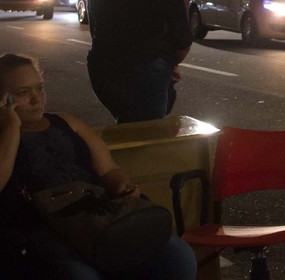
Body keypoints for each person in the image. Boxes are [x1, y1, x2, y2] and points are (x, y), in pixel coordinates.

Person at [0, 53, 197, 279]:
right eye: (23, 93)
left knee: (177, 256)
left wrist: (122, 186)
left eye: (40, 88)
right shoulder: (5, 136)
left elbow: (109, 169)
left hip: (96, 216)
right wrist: (11, 128)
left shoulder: (65, 122)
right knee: (79, 274)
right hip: (44, 228)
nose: (37, 100)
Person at [86, 0, 192, 124]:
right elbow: (182, 38)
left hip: (103, 68)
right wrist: (170, 63)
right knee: (146, 131)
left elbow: (95, 26)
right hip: (145, 68)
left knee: (128, 125)